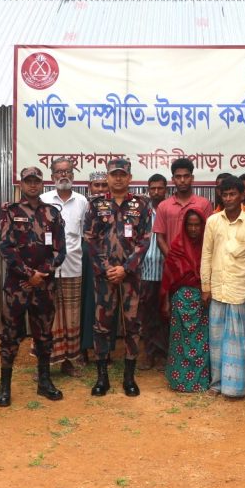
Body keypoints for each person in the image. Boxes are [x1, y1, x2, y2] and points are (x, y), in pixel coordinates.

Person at [0, 167, 67, 407]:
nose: (33, 185)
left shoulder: (52, 213)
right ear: (22, 184)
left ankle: (44, 383)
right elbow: (5, 247)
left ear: (42, 183)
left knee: (44, 335)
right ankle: (4, 387)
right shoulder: (10, 212)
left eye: (37, 181)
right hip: (17, 286)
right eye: (28, 181)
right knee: (10, 336)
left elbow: (60, 249)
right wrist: (28, 274)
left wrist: (42, 273)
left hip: (44, 286)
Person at [84, 158, 153, 396]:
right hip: (104, 279)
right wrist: (106, 270)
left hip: (131, 278)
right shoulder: (96, 206)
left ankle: (129, 378)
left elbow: (145, 239)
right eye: (114, 174)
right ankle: (102, 377)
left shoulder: (141, 205)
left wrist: (126, 268)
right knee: (102, 326)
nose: (119, 178)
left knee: (132, 325)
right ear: (108, 177)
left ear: (130, 177)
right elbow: (90, 239)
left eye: (123, 174)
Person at [201, 176, 245, 398]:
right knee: (216, 341)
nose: (228, 198)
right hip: (218, 289)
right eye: (224, 194)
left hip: (240, 290)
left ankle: (235, 386)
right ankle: (217, 384)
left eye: (232, 194)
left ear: (241, 195)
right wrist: (205, 286)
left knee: (237, 341)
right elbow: (206, 255)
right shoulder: (212, 222)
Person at [40, 158, 90, 376]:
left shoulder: (82, 201)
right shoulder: (43, 200)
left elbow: (84, 235)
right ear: (52, 176)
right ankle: (44, 364)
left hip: (73, 267)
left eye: (68, 171)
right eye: (59, 172)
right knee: (46, 316)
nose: (64, 175)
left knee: (71, 317)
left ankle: (68, 362)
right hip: (47, 269)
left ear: (73, 174)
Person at [162, 208, 211, 392]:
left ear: (202, 226)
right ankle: (179, 381)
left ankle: (199, 382)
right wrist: (166, 300)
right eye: (189, 225)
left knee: (201, 343)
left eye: (197, 225)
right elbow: (168, 276)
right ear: (184, 226)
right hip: (181, 300)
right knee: (180, 343)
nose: (193, 229)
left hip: (203, 299)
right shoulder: (177, 246)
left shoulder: (209, 245)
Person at [138, 173, 170, 371]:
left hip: (166, 270)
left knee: (166, 315)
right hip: (144, 271)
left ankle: (165, 354)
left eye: (160, 188)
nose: (156, 192)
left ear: (166, 189)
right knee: (147, 315)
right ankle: (149, 354)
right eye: (153, 188)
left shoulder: (170, 209)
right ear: (148, 190)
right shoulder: (142, 211)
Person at [80, 171, 110, 363]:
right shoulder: (83, 205)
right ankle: (83, 349)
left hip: (109, 257)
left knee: (106, 302)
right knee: (86, 302)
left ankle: (105, 350)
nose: (99, 189)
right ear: (89, 187)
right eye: (96, 185)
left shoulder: (113, 205)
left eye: (103, 185)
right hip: (87, 256)